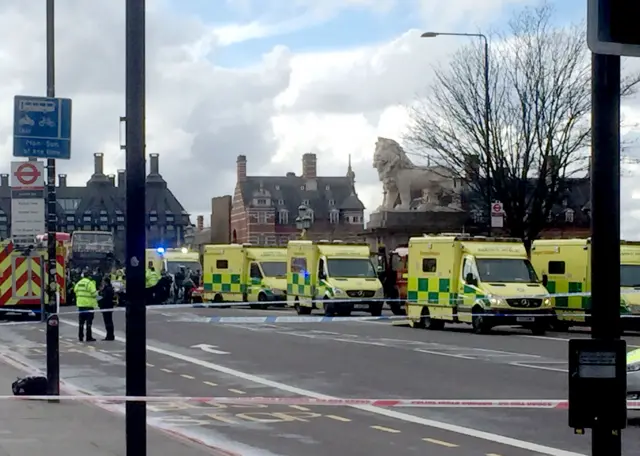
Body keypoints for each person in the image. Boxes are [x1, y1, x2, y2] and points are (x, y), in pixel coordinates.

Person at [74, 273, 98, 342]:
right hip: (88, 305)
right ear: (89, 276)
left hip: (80, 306)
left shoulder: (79, 283)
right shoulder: (90, 283)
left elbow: (75, 290)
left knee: (81, 323)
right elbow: (94, 294)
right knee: (89, 323)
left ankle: (80, 337)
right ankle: (88, 337)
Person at [99, 276, 115, 341]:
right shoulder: (109, 288)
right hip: (108, 306)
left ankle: (109, 336)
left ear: (105, 282)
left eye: (103, 281)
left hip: (106, 306)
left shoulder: (107, 289)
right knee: (108, 321)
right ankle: (109, 335)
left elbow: (104, 297)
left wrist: (99, 296)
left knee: (108, 322)